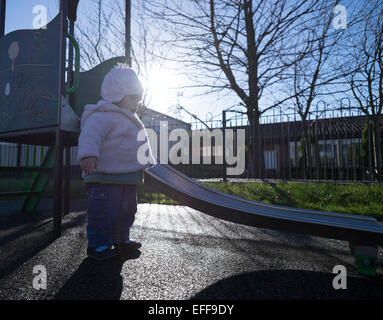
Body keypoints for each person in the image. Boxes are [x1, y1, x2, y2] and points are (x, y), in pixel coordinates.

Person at [77, 64, 155, 260]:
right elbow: (90, 135)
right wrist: (88, 154)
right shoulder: (102, 115)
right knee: (103, 211)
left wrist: (145, 163)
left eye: (139, 98)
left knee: (127, 210)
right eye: (133, 98)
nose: (137, 103)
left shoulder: (132, 118)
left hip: (127, 177)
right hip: (104, 175)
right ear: (116, 94)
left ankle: (121, 239)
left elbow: (140, 142)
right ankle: (98, 244)